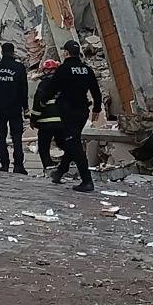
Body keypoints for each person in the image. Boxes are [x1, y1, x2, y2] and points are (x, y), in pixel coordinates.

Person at [43, 39, 102, 192]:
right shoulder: (86, 69)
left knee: (73, 144)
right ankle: (60, 172)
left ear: (66, 53)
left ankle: (87, 180)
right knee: (72, 141)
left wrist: (43, 101)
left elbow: (51, 88)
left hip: (68, 111)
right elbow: (96, 90)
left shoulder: (64, 69)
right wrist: (96, 108)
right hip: (82, 112)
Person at [0, 43, 29, 174]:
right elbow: (24, 89)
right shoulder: (19, 68)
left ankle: (4, 164)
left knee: (1, 137)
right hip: (15, 108)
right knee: (17, 138)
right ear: (13, 52)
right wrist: (25, 107)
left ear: (2, 52)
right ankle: (18, 165)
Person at [30, 59, 64, 170]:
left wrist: (33, 119)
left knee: (43, 146)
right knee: (63, 144)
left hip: (45, 123)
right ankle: (67, 164)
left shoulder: (43, 84)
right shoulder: (62, 83)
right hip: (61, 121)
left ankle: (48, 166)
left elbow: (37, 104)